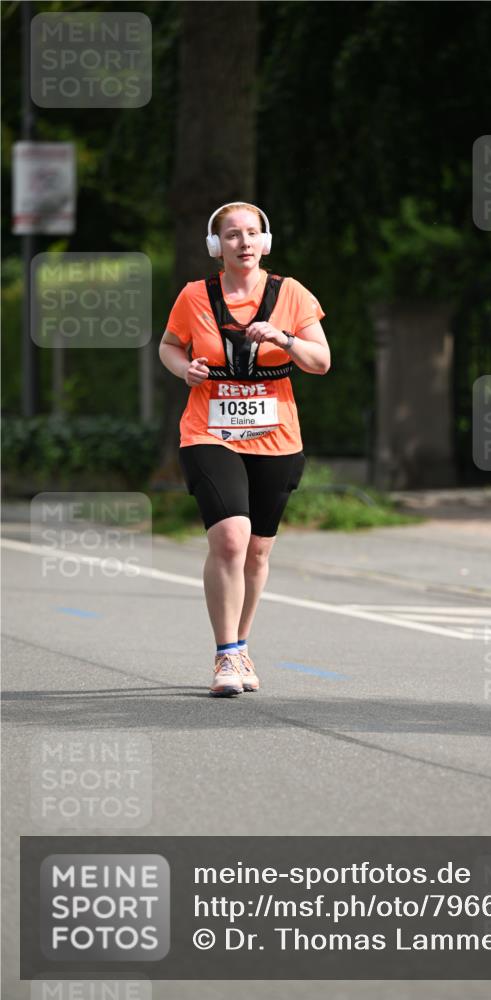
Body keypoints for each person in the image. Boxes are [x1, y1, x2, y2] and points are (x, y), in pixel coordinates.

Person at [159, 202, 330, 697]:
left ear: (266, 241)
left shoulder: (291, 294)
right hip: (208, 432)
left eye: (252, 233)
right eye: (232, 235)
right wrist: (183, 369)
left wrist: (283, 338)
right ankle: (226, 656)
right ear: (217, 247)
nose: (243, 242)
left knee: (257, 552)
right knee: (232, 539)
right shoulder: (194, 297)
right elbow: (169, 346)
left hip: (276, 437)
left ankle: (242, 643)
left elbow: (320, 362)